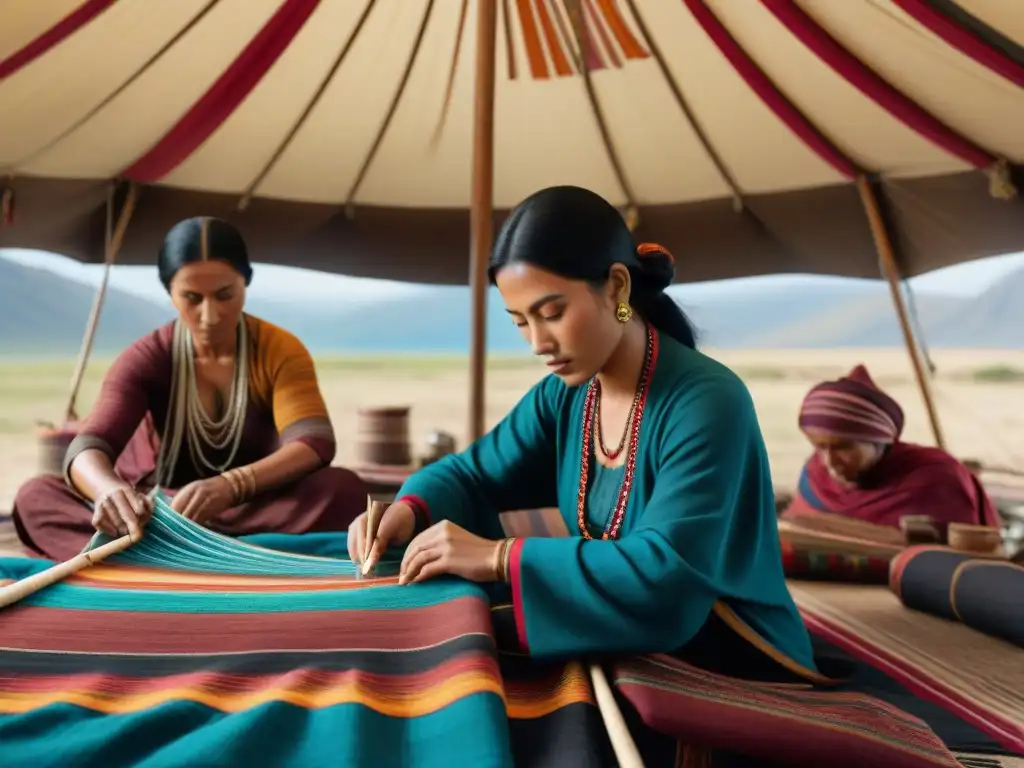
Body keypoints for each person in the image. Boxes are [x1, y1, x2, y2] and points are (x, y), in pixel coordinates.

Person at [346, 186, 820, 686]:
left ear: (616, 287)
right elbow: (473, 473)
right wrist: (410, 509)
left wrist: (496, 556)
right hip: (618, 625)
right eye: (520, 321)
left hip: (725, 644)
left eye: (551, 313)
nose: (537, 342)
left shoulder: (706, 402)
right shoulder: (567, 395)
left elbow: (668, 576)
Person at [12, 217, 368, 561]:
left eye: (225, 295)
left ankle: (147, 559)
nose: (210, 315)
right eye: (193, 298)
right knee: (35, 496)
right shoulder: (148, 356)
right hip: (156, 511)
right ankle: (232, 555)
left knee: (343, 489)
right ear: (170, 293)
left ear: (246, 282)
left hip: (249, 508)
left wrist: (230, 487)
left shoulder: (279, 349)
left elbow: (313, 444)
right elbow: (88, 447)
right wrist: (109, 492)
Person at [783, 364, 1001, 530]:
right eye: (819, 447)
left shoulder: (936, 479)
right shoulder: (815, 474)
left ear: (880, 441)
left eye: (843, 447)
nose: (828, 462)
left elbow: (960, 555)